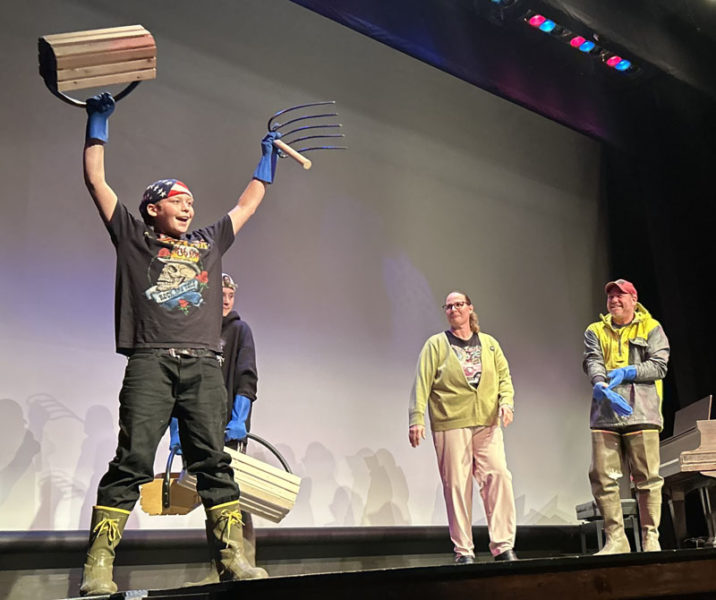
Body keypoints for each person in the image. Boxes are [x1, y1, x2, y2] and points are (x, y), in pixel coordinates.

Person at [79, 91, 280, 596]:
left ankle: (233, 558)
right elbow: (96, 182)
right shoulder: (133, 235)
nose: (189, 205)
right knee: (132, 461)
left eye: (191, 200)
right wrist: (97, 126)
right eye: (177, 198)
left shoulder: (207, 243)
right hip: (151, 361)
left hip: (204, 367)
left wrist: (265, 164)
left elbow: (247, 204)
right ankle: (98, 565)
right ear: (153, 208)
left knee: (213, 462)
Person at [409, 291, 518, 563]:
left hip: (487, 422)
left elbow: (504, 377)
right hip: (451, 422)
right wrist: (416, 418)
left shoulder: (489, 344)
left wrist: (507, 403)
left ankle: (503, 545)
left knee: (499, 476)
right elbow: (421, 382)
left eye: (459, 304)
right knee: (457, 485)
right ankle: (464, 551)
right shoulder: (436, 344)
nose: (454, 309)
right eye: (448, 306)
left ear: (470, 308)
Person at [170, 272, 263, 583]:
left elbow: (247, 377)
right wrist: (176, 431)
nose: (225, 301)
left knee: (238, 495)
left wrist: (239, 418)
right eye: (220, 295)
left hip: (229, 430)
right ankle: (222, 565)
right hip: (200, 428)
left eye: (230, 296)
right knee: (212, 497)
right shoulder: (196, 333)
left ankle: (245, 560)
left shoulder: (240, 331)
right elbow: (180, 381)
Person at [583, 278, 670, 554]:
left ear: (634, 299)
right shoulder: (595, 329)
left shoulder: (651, 327)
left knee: (647, 478)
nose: (614, 300)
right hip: (605, 414)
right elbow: (593, 359)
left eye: (621, 296)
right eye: (611, 297)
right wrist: (599, 382)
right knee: (602, 476)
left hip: (641, 412)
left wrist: (629, 372)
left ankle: (650, 538)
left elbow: (659, 365)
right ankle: (616, 539)